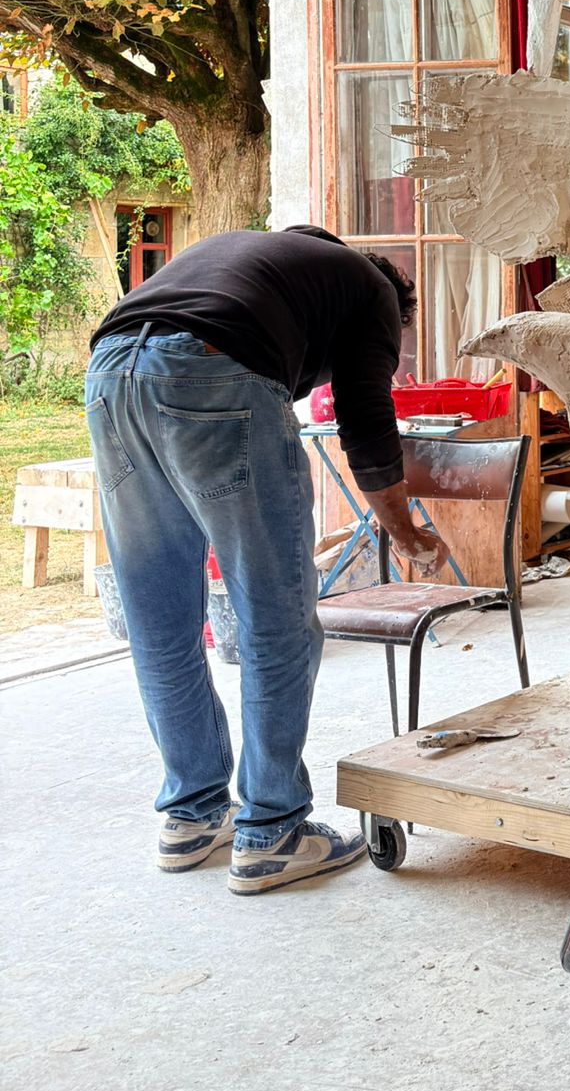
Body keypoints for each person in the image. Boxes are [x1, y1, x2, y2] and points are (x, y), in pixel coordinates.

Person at [85, 225, 451, 894]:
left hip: (110, 374)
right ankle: (272, 832)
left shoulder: (273, 265)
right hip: (212, 373)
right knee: (276, 618)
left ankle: (192, 814)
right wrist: (406, 533)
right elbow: (367, 423)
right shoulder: (372, 293)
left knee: (160, 623)